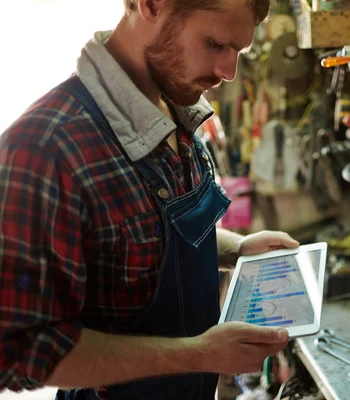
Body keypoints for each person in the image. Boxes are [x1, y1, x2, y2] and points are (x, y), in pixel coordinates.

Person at [0, 0, 300, 398]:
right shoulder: (45, 149)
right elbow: (20, 352)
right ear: (150, 4)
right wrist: (197, 355)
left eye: (238, 52)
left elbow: (151, 238)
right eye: (215, 44)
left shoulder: (177, 107)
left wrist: (236, 249)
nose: (228, 73)